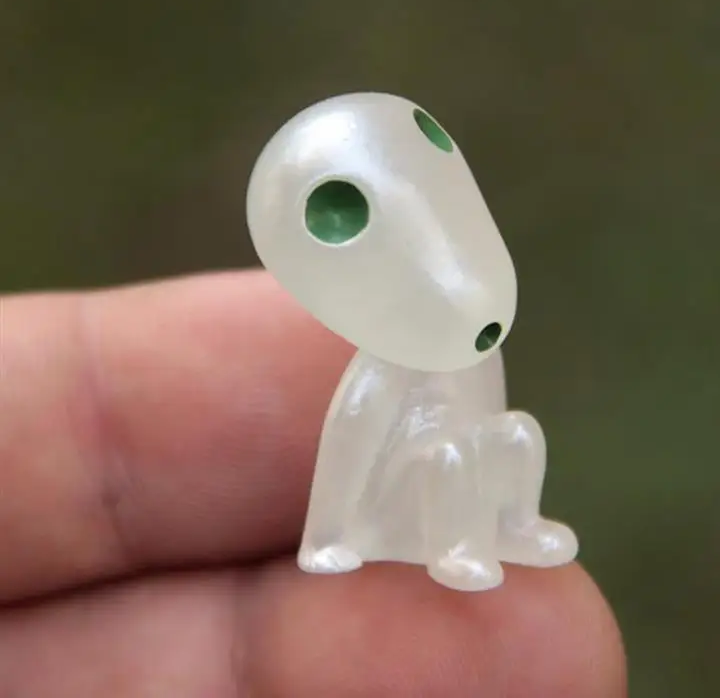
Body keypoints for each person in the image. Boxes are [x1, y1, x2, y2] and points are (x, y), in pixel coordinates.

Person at [0, 271, 626, 696]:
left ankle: (514, 525)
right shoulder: (385, 365)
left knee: (518, 433)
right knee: (449, 457)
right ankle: (457, 549)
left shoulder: (472, 351)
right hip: (405, 498)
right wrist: (331, 535)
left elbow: (488, 412)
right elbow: (353, 438)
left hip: (456, 472)